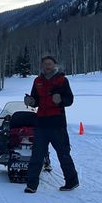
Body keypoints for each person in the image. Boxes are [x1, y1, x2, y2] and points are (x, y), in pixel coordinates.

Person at [23, 55, 78, 193]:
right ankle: (31, 185)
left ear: (54, 65)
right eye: (45, 64)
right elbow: (35, 100)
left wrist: (61, 100)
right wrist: (31, 102)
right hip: (41, 123)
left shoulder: (62, 80)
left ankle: (72, 181)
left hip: (57, 123)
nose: (47, 66)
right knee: (37, 155)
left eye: (50, 64)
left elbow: (70, 100)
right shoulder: (37, 81)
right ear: (42, 66)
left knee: (63, 154)